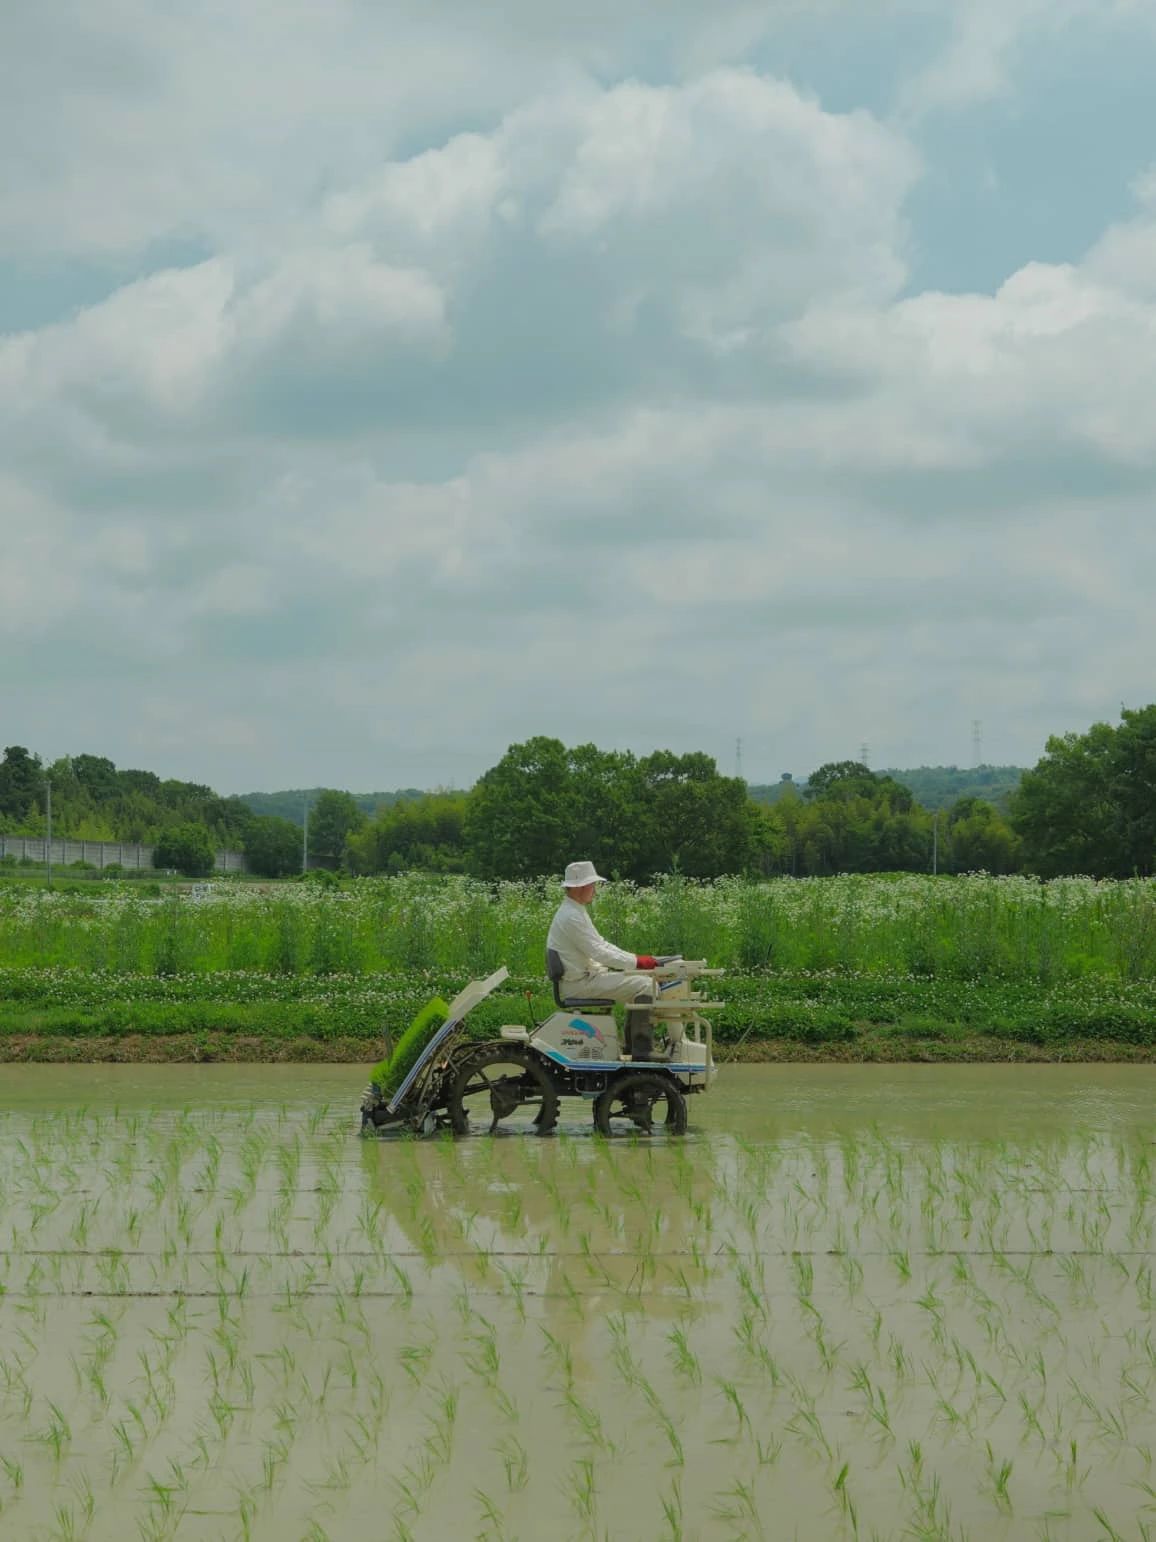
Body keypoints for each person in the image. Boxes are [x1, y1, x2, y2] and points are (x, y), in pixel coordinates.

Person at [546, 860, 661, 1060]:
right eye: (592, 885)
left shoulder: (574, 911)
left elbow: (602, 944)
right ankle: (642, 1052)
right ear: (581, 887)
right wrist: (639, 963)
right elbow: (600, 952)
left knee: (640, 980)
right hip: (580, 984)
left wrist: (636, 961)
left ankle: (632, 1047)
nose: (595, 890)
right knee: (646, 986)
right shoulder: (572, 916)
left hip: (583, 978)